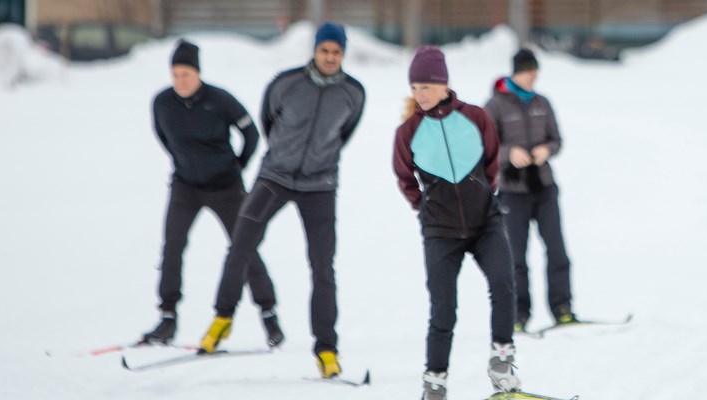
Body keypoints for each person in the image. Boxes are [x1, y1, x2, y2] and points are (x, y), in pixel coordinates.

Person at [196, 22, 365, 379]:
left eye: (336, 52)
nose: (330, 58)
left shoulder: (353, 93)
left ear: (343, 55)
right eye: (325, 51)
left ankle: (326, 350)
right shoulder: (285, 83)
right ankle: (222, 319)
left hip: (320, 185)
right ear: (314, 51)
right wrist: (285, 157)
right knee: (241, 243)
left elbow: (343, 133)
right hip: (275, 177)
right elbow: (269, 120)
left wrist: (318, 161)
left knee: (322, 267)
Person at [392, 45, 521, 400]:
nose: (419, 94)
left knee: (503, 282)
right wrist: (426, 207)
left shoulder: (476, 118)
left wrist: (482, 192)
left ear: (444, 84)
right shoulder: (408, 132)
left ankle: (502, 361)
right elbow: (405, 178)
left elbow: (492, 163)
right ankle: (435, 382)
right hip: (440, 232)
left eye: (426, 87)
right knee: (444, 309)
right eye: (414, 87)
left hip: (485, 223)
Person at [140, 39, 279, 346]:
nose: (180, 81)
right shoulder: (161, 102)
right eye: (175, 74)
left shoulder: (220, 100)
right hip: (185, 186)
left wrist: (237, 166)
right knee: (172, 248)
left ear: (198, 74)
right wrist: (184, 163)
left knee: (244, 248)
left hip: (225, 187)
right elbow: (164, 137)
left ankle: (269, 314)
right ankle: (167, 317)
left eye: (186, 74)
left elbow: (251, 134)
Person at [484, 48, 576, 331]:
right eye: (527, 70)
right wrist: (509, 153)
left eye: (535, 70)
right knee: (515, 256)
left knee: (557, 250)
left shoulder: (542, 103)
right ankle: (518, 315)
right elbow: (485, 145)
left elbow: (557, 140)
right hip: (513, 191)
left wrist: (546, 149)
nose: (533, 75)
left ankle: (562, 308)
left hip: (544, 186)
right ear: (515, 72)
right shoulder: (495, 105)